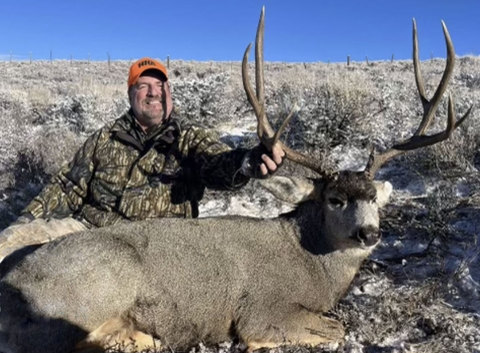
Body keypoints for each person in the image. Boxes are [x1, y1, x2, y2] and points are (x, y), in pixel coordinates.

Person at [0, 57, 284, 261]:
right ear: (131, 95)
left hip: (155, 250)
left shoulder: (189, 138)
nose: (153, 91)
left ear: (170, 93)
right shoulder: (104, 139)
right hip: (89, 233)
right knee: (11, 243)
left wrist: (247, 162)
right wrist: (24, 223)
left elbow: (217, 163)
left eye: (160, 85)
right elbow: (66, 187)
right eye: (142, 85)